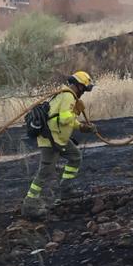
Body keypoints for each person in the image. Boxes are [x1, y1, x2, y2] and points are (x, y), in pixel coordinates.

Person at [21, 71, 95, 219]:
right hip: (51, 140)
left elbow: (62, 117)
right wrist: (74, 112)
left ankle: (66, 190)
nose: (84, 93)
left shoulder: (66, 95)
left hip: (59, 139)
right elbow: (64, 119)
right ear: (79, 86)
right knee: (45, 170)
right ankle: (29, 203)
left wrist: (81, 127)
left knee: (75, 157)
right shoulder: (68, 96)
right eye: (84, 90)